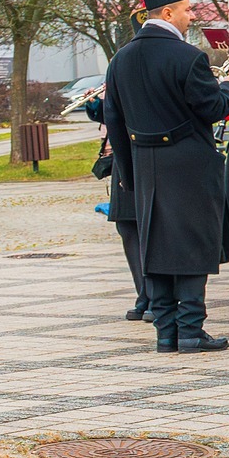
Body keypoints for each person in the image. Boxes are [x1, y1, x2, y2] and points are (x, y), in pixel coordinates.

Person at [102, 0, 229, 352]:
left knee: (154, 246)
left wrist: (128, 173)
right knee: (193, 243)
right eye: (188, 10)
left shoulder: (120, 59)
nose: (192, 16)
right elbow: (213, 109)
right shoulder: (187, 57)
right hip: (189, 162)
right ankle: (191, 330)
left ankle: (165, 332)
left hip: (144, 163)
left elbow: (114, 121)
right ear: (168, 13)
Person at [85, 86, 149, 322]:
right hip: (123, 160)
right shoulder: (120, 69)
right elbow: (111, 113)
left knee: (153, 229)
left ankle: (160, 297)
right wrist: (95, 105)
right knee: (127, 227)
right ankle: (144, 295)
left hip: (151, 155)